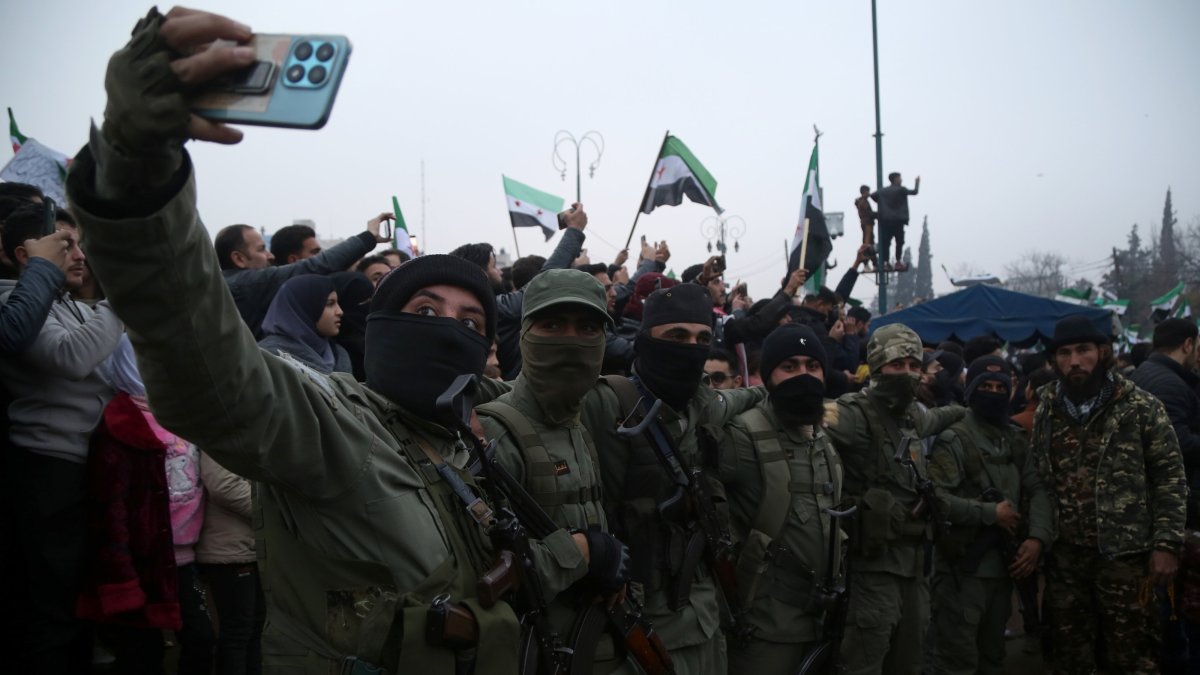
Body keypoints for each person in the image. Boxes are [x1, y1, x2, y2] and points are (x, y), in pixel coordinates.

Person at [68, 8, 589, 672]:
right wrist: (136, 172)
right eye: (426, 310)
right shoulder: (330, 423)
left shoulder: (469, 445)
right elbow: (202, 356)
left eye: (471, 326)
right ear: (384, 328)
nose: (450, 334)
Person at [580, 283, 766, 674]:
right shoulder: (604, 402)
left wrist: (769, 394)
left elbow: (739, 398)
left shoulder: (703, 404)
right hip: (632, 630)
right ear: (645, 340)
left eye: (701, 338)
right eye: (677, 336)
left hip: (703, 620)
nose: (691, 347)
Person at [476, 268, 631, 673]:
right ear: (524, 334)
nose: (570, 340)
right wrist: (584, 554)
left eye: (587, 327)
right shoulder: (496, 432)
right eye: (552, 325)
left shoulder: (576, 422)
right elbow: (481, 580)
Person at [0, 203, 125, 674]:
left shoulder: (66, 303)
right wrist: (121, 302)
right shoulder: (11, 300)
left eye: (80, 245)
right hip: (50, 469)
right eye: (65, 244)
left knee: (81, 601)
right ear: (24, 253)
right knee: (55, 606)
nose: (79, 256)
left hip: (86, 464)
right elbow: (72, 358)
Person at [1032, 315, 1187, 674]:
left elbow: (1170, 477)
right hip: (1066, 561)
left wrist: (1166, 544)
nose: (1074, 361)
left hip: (1127, 559)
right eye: (1065, 353)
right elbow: (1038, 478)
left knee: (1133, 655)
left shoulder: (1141, 407)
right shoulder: (1047, 411)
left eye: (1084, 351)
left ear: (1103, 353)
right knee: (1071, 656)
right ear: (1054, 360)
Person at [822, 324, 965, 675]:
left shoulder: (912, 414)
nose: (907, 373)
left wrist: (969, 410)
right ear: (876, 365)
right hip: (873, 568)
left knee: (911, 659)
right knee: (864, 661)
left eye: (914, 366)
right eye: (897, 364)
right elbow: (806, 419)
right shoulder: (854, 413)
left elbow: (934, 419)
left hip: (915, 565)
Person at [720, 324, 843, 674]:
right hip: (763, 626)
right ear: (768, 376)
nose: (803, 375)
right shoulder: (744, 433)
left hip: (820, 618)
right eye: (789, 367)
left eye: (812, 366)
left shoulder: (822, 437)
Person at [925, 356, 1053, 675]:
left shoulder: (1013, 437)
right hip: (962, 570)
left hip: (1004, 568)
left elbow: (1037, 488)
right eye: (986, 386)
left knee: (993, 657)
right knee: (956, 661)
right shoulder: (955, 438)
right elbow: (935, 499)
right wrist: (989, 513)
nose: (994, 392)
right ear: (971, 389)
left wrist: (1037, 538)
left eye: (1001, 387)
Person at [453, 206, 589, 380]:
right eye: (493, 266)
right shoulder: (495, 308)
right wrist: (574, 231)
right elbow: (543, 283)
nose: (500, 272)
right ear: (479, 273)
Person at [214, 213, 390, 336]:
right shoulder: (246, 286)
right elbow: (314, 267)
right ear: (239, 259)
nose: (270, 256)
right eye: (261, 250)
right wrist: (368, 237)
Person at [197, 450, 266, 675]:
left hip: (250, 547)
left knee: (256, 629)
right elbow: (224, 486)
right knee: (238, 632)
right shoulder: (215, 432)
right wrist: (271, 513)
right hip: (229, 550)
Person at [257, 274, 351, 375]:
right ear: (302, 309)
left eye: (337, 303)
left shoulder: (338, 355)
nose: (340, 311)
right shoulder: (269, 356)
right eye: (329, 304)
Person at [870, 172, 920, 272]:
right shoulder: (901, 189)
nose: (901, 180)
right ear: (895, 179)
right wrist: (917, 183)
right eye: (900, 178)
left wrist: (882, 203)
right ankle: (898, 262)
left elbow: (873, 195)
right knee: (899, 242)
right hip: (898, 220)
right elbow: (914, 192)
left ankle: (886, 262)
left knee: (885, 243)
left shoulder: (882, 191)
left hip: (885, 220)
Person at [854, 185, 876, 254]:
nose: (869, 193)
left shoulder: (861, 201)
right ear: (864, 192)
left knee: (869, 241)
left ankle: (872, 260)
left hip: (866, 222)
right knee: (867, 242)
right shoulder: (863, 202)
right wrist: (878, 214)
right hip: (867, 222)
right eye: (868, 192)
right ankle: (863, 256)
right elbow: (868, 213)